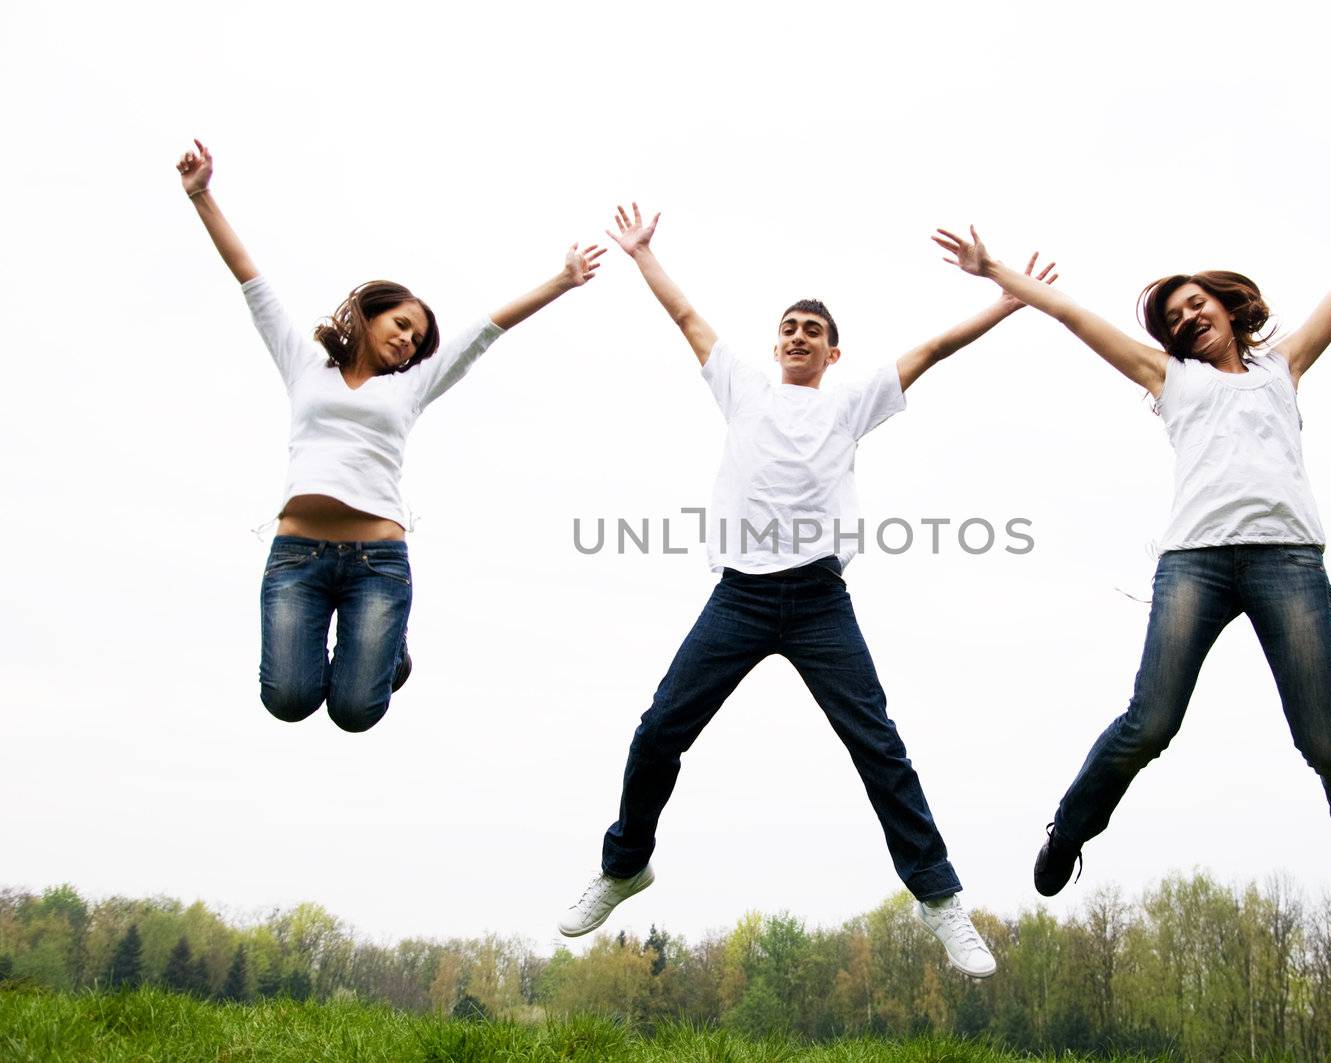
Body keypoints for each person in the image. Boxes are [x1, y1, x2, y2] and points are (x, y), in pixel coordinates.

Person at [558, 203, 1056, 978]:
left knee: (878, 745)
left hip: (821, 601)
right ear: (776, 341)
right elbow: (686, 313)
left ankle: (939, 897)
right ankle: (625, 866)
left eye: (811, 331)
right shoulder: (743, 389)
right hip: (739, 599)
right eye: (788, 326)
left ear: (831, 352)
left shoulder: (849, 403)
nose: (797, 336)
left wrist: (1009, 297)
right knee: (660, 731)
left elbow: (935, 347)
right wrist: (643, 254)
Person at [934, 165, 1331, 891]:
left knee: (1323, 734)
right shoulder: (1169, 378)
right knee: (1149, 721)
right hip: (1195, 562)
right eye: (1175, 318)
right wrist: (993, 269)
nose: (1188, 318)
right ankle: (1068, 830)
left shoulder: (1282, 367)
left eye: (1197, 305)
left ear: (1226, 308)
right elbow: (1073, 316)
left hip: (1287, 560)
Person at [176, 138, 604, 733]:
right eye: (401, 323)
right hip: (296, 556)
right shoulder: (306, 366)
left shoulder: (410, 388)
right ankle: (377, 654)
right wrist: (202, 196)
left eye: (416, 338)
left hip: (378, 559)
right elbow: (252, 281)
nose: (407, 339)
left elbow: (486, 331)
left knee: (356, 712)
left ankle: (388, 653)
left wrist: (560, 281)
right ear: (371, 313)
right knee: (288, 700)